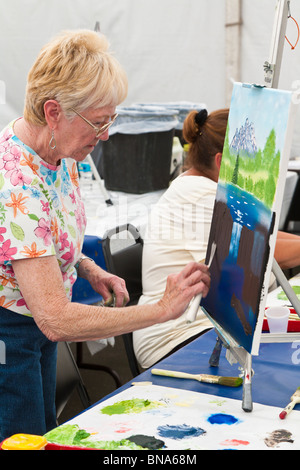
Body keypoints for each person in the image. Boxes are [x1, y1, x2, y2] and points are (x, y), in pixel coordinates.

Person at [0, 30, 211, 441]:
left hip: (33, 329)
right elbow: (57, 319)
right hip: (12, 333)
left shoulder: (56, 151)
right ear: (54, 112)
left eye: (110, 120)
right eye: (99, 123)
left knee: (42, 435)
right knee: (23, 439)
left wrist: (87, 265)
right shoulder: (14, 184)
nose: (107, 135)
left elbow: (44, 233)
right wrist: (161, 311)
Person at [133, 108, 300, 369]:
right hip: (177, 339)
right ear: (222, 162)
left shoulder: (205, 188)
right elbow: (255, 250)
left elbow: (267, 234)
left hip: (209, 328)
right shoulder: (198, 195)